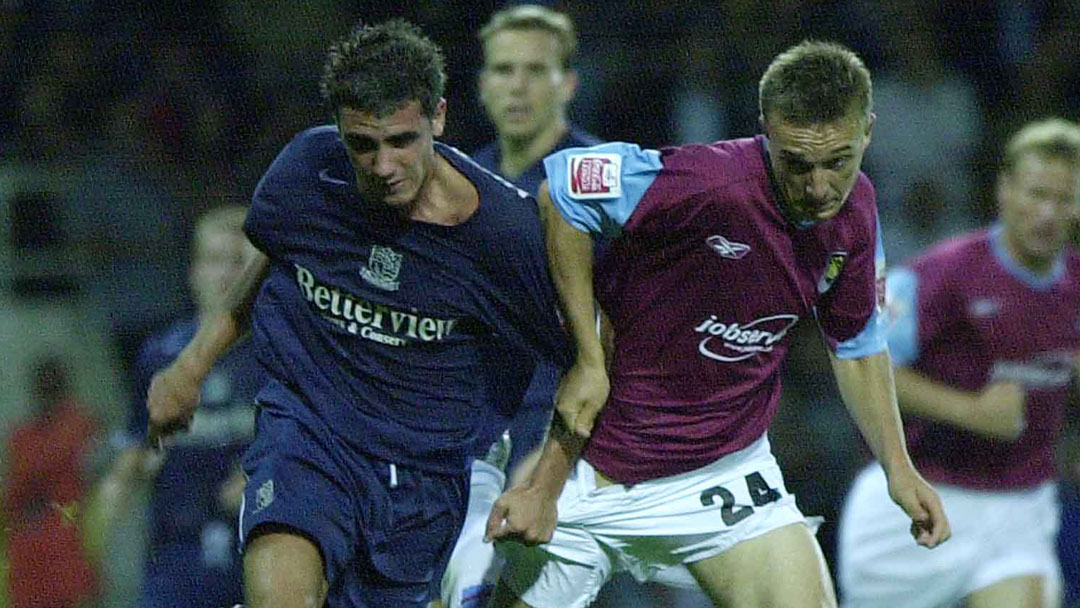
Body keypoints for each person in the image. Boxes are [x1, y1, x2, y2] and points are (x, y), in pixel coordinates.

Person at [484, 40, 951, 608]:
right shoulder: (707, 181)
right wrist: (588, 352)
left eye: (839, 161)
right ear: (765, 131)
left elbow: (855, 343)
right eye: (797, 163)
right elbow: (561, 191)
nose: (820, 187)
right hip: (596, 472)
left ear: (868, 132)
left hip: (725, 476)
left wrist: (898, 469)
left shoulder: (856, 210)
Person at [146, 19, 570, 608]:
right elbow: (273, 256)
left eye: (401, 141)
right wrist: (192, 365)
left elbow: (590, 365)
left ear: (438, 118)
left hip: (425, 473)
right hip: (308, 432)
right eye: (362, 145)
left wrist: (546, 484)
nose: (382, 164)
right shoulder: (307, 170)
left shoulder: (504, 235)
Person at [837, 118, 1080, 608]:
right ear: (1004, 189)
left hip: (1019, 505)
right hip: (916, 498)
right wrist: (972, 412)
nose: (1048, 213)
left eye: (1064, 199)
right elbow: (867, 366)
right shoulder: (942, 274)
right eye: (1036, 194)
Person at [435, 7, 600, 608]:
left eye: (537, 69)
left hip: (570, 428)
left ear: (568, 84)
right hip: (471, 422)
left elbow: (622, 330)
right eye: (504, 69)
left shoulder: (598, 180)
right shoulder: (456, 180)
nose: (519, 84)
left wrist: (553, 453)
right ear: (480, 86)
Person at [87, 206, 262, 608]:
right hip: (176, 552)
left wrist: (268, 473)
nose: (225, 275)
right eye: (213, 261)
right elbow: (139, 437)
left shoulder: (280, 354)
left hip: (259, 547)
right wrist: (120, 482)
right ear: (193, 270)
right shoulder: (160, 354)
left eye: (238, 263)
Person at [3, 356, 100, 608]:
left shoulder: (75, 428)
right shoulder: (27, 436)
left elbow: (19, 486)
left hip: (60, 541)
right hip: (39, 546)